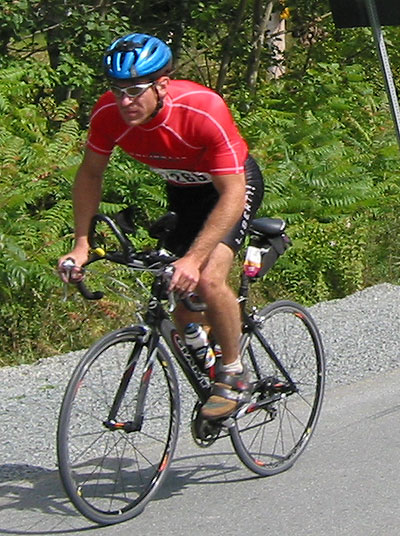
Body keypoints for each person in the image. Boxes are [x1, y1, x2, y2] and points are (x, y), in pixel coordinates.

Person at [58, 32, 264, 420]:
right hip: (183, 192)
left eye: (135, 90)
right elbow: (90, 174)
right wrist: (81, 243)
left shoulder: (203, 109)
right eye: (117, 90)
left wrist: (195, 259)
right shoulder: (107, 114)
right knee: (182, 307)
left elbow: (233, 193)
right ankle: (208, 349)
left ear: (162, 85)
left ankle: (234, 373)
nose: (125, 102)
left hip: (231, 187)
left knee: (207, 278)